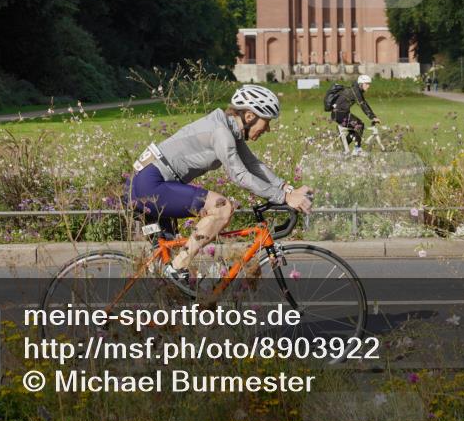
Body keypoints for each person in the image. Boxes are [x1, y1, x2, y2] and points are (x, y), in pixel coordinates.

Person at [127, 84, 313, 287]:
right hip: (151, 185)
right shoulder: (221, 133)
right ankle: (177, 268)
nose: (267, 129)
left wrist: (287, 189)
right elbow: (240, 175)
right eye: (266, 122)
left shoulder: (227, 127)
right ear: (250, 116)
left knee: (177, 282)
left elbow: (253, 164)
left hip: (148, 181)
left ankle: (170, 303)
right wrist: (284, 198)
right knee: (222, 207)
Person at [331, 74, 379, 154]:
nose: (368, 86)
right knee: (360, 125)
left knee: (354, 131)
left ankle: (344, 148)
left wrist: (373, 116)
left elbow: (364, 103)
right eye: (366, 84)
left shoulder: (356, 90)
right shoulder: (355, 91)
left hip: (339, 114)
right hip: (340, 114)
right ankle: (357, 149)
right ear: (361, 84)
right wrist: (372, 117)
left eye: (369, 84)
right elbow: (362, 105)